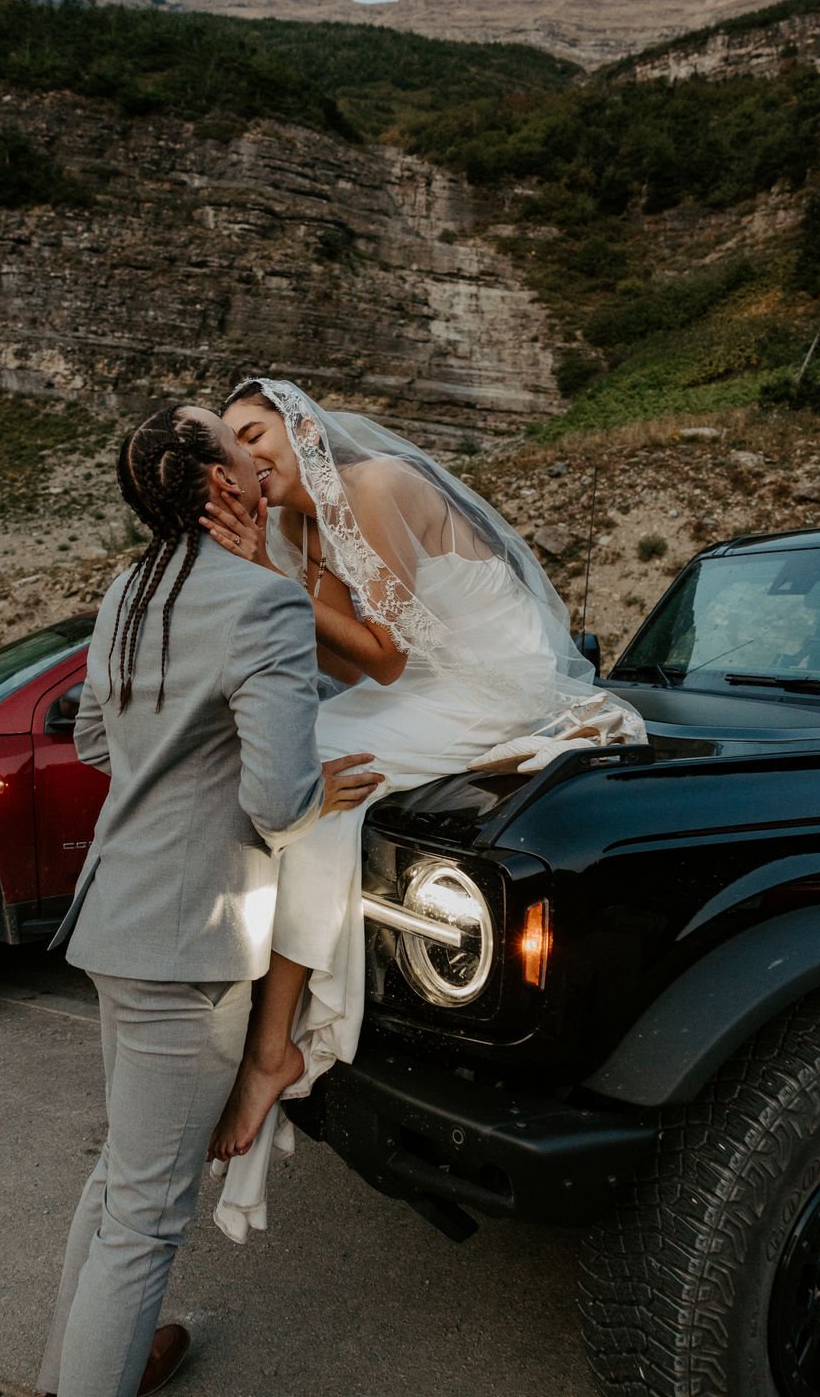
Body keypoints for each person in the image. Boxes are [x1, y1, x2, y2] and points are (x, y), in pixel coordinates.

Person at [201, 378, 644, 1239]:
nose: (248, 454)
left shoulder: (377, 487)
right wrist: (260, 573)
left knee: (322, 772)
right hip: (427, 686)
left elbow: (391, 664)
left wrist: (266, 575)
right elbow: (363, 672)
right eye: (233, 446)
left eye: (258, 431)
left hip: (494, 690)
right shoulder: (296, 527)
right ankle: (252, 989)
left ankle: (271, 1049)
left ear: (302, 429)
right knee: (281, 756)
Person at [36, 403, 380, 1397]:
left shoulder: (126, 589)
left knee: (118, 1187)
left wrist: (174, 773)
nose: (251, 447)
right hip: (189, 945)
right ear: (219, 484)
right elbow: (277, 800)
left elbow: (97, 744)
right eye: (232, 440)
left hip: (116, 918)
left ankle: (67, 1373)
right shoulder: (259, 603)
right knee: (144, 1220)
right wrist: (321, 789)